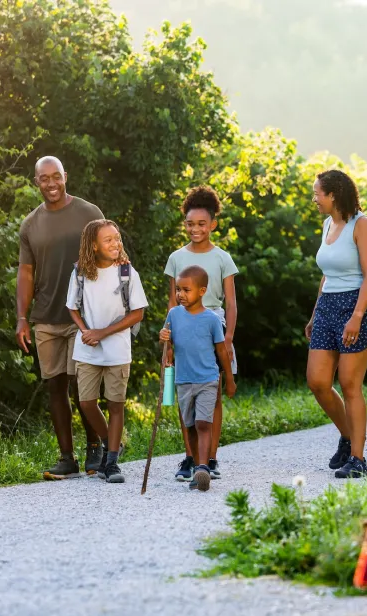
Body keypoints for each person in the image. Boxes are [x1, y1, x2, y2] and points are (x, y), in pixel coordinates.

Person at [16, 156, 121, 480]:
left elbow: (109, 258)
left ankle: (95, 450)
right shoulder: (30, 224)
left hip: (84, 318)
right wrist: (22, 318)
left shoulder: (89, 213)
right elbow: (26, 272)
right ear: (36, 181)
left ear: (65, 177)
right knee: (55, 386)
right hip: (47, 316)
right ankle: (66, 458)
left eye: (56, 176)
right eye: (44, 178)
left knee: (83, 386)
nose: (51, 183)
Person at [305, 169, 367, 479]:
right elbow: (326, 275)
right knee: (318, 382)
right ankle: (348, 436)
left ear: (333, 195)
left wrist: (356, 317)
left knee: (350, 385)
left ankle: (358, 459)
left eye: (317, 194)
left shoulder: (361, 225)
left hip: (356, 307)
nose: (314, 199)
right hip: (327, 308)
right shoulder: (328, 224)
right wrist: (315, 313)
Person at [164, 187, 239, 482]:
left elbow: (231, 302)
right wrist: (169, 341)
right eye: (190, 223)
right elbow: (173, 302)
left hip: (213, 326)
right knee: (185, 394)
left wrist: (229, 337)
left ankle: (211, 458)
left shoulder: (222, 258)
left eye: (202, 224)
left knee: (212, 392)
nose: (196, 229)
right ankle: (190, 457)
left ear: (213, 225)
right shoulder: (176, 257)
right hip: (183, 327)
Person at [65, 219, 147, 484]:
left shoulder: (126, 273)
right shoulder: (80, 273)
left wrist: (102, 333)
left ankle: (111, 462)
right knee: (86, 402)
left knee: (115, 404)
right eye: (108, 240)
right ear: (93, 245)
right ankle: (111, 442)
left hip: (117, 350)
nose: (116, 243)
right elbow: (72, 308)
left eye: (117, 238)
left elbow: (137, 313)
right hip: (87, 348)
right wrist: (86, 330)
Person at [160, 265, 237, 492]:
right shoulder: (173, 315)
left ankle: (203, 467)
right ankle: (194, 463)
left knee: (204, 423)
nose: (180, 294)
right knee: (190, 425)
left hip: (208, 379)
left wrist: (230, 379)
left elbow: (222, 351)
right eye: (178, 289)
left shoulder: (212, 319)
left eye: (186, 290)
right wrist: (164, 337)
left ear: (202, 291)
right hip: (183, 379)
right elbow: (168, 343)